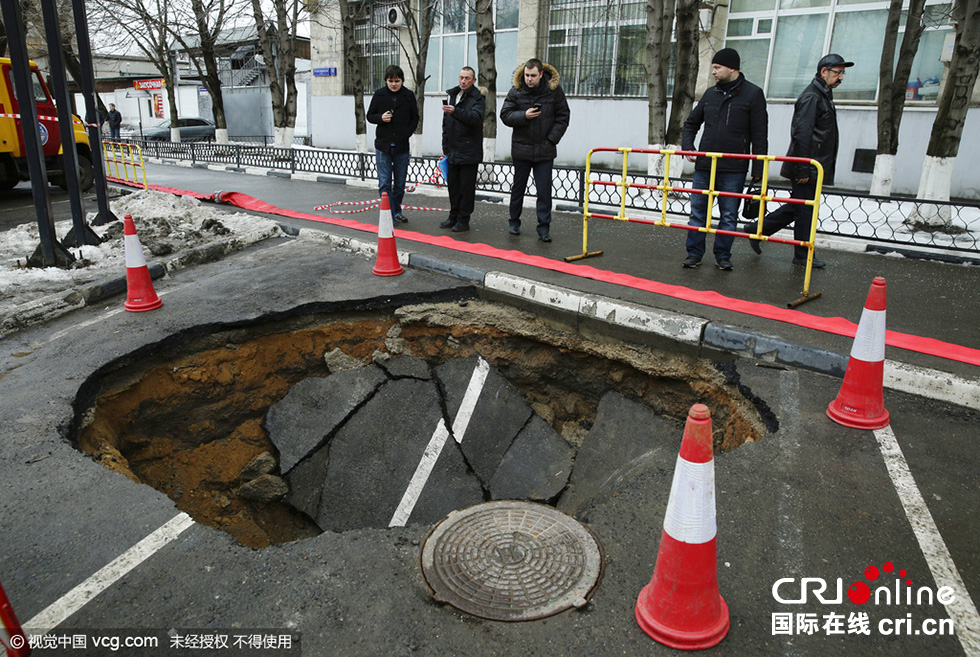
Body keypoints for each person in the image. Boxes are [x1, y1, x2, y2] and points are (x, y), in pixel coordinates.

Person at [744, 53, 854, 269]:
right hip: (808, 166)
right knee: (804, 211)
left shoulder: (823, 94)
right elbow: (801, 134)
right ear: (824, 72)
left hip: (814, 164)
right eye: (837, 72)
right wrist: (803, 168)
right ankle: (802, 254)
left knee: (799, 208)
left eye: (843, 73)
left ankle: (757, 231)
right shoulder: (813, 96)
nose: (841, 77)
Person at [681, 48, 768, 271]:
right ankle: (694, 254)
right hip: (705, 165)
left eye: (717, 68)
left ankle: (723, 255)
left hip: (734, 168)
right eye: (713, 68)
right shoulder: (710, 94)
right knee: (698, 212)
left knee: (729, 215)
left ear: (732, 68)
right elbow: (691, 123)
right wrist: (688, 147)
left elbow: (760, 134)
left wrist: (759, 167)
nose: (714, 72)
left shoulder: (753, 94)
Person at [500, 58, 570, 242]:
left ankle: (544, 227)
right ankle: (514, 222)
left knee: (544, 191)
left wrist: (551, 140)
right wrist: (523, 115)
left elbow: (563, 116)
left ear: (541, 74)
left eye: (532, 76)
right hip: (521, 148)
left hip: (544, 149)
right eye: (526, 75)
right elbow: (505, 115)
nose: (529, 79)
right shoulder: (517, 90)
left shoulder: (553, 92)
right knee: (518, 188)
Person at [366, 65, 419, 224]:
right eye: (391, 81)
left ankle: (396, 212)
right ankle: (388, 214)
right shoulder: (379, 94)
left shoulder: (408, 95)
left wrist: (406, 134)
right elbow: (370, 115)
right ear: (386, 81)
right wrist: (380, 118)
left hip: (402, 146)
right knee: (385, 183)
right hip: (383, 145)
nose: (394, 84)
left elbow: (415, 118)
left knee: (400, 184)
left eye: (397, 81)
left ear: (402, 80)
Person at [440, 67, 485, 233]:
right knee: (453, 186)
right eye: (461, 77)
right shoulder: (453, 95)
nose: (463, 81)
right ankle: (453, 216)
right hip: (453, 150)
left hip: (469, 151)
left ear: (473, 81)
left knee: (466, 189)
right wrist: (445, 147)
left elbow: (475, 119)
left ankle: (464, 220)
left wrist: (456, 111)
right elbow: (446, 124)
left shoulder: (478, 98)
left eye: (467, 78)